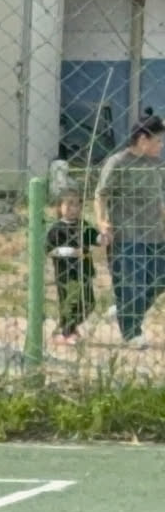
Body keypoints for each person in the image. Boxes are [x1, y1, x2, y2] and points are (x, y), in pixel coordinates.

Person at [95, 115, 165, 345]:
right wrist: (102, 221)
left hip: (155, 233)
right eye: (158, 141)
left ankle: (125, 309)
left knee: (159, 279)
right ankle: (132, 331)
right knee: (131, 284)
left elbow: (160, 197)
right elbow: (101, 194)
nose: (161, 146)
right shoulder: (118, 162)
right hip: (127, 234)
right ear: (142, 139)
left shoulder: (157, 164)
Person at [47, 191, 102, 343]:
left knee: (89, 303)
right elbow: (50, 250)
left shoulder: (84, 225)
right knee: (70, 303)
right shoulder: (57, 228)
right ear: (60, 207)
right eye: (69, 204)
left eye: (78, 204)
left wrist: (103, 237)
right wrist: (71, 251)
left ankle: (66, 327)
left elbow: (95, 237)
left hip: (84, 272)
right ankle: (67, 332)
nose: (74, 208)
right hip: (66, 274)